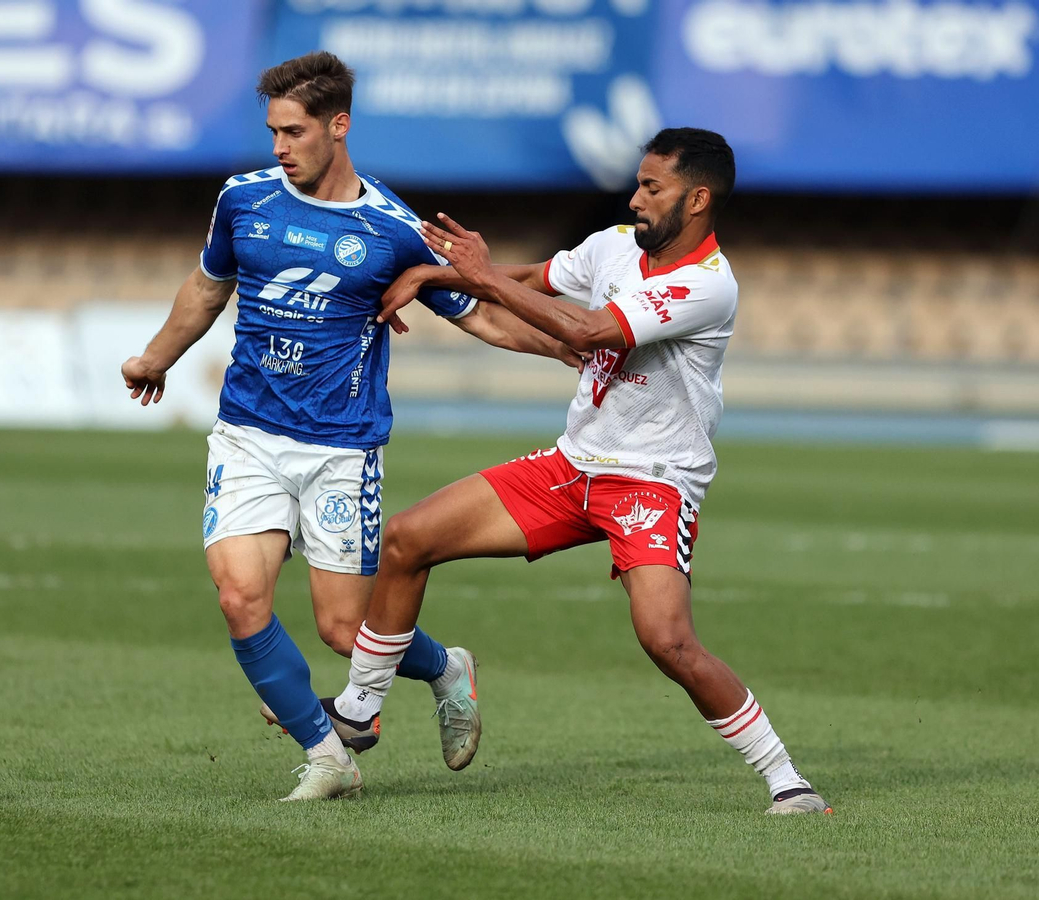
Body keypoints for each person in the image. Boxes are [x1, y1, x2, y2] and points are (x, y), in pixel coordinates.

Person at [327, 128, 831, 814]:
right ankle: (360, 709)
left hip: (652, 482)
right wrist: (439, 276)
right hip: (571, 467)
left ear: (699, 199)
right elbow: (537, 280)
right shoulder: (618, 243)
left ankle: (787, 780)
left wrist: (474, 275)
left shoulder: (708, 287)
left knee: (668, 641)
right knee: (407, 538)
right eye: (639, 182)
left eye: (654, 188)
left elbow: (588, 333)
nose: (637, 197)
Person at [121, 52, 577, 801]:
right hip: (248, 434)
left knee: (344, 630)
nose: (279, 147)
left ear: (339, 125)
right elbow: (208, 287)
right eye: (272, 131)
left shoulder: (394, 228)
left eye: (294, 132)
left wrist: (566, 345)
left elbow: (485, 317)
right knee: (240, 597)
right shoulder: (243, 200)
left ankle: (446, 667)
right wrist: (155, 358)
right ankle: (328, 757)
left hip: (340, 448)